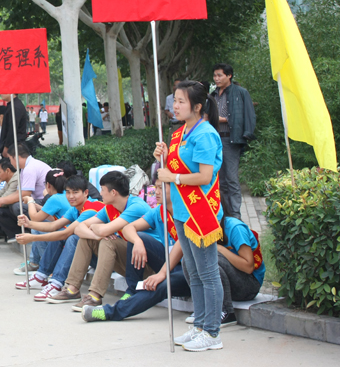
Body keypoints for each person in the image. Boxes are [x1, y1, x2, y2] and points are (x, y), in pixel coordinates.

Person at [153, 79, 224, 352]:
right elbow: (171, 168)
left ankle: (212, 332)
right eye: (175, 100)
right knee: (192, 271)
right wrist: (161, 157)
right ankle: (200, 325)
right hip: (182, 211)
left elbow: (204, 176)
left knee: (208, 272)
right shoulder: (180, 132)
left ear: (197, 106)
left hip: (201, 211)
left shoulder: (205, 134)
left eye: (181, 101)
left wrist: (173, 177)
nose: (175, 105)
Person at [82, 180, 191, 323]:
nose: (156, 192)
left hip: (189, 271)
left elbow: (181, 244)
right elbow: (128, 228)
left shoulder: (186, 212)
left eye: (161, 187)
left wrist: (161, 274)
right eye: (156, 187)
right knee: (138, 237)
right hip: (170, 263)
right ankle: (132, 290)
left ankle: (109, 312)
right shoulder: (159, 211)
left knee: (162, 285)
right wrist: (138, 242)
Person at [46, 171, 151, 308]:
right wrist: (97, 235)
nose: (100, 193)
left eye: (102, 189)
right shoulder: (110, 208)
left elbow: (104, 230)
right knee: (85, 239)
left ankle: (95, 295)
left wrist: (98, 230)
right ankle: (72, 289)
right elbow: (79, 229)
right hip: (130, 260)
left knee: (108, 241)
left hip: (147, 263)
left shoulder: (135, 206)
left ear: (113, 192)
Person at [14, 175, 103, 300]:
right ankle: (41, 276)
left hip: (104, 256)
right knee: (63, 232)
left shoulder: (91, 209)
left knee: (72, 238)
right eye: (68, 192)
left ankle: (56, 283)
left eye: (75, 192)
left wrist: (32, 238)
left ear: (86, 193)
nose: (71, 196)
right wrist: (29, 224)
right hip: (91, 252)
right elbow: (54, 225)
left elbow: (66, 234)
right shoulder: (75, 209)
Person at [208, 209, 265, 327]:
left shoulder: (235, 228)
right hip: (228, 284)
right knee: (191, 259)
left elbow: (248, 267)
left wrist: (220, 249)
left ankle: (226, 312)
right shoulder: (203, 228)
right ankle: (202, 309)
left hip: (249, 285)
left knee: (213, 258)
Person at [213, 63, 256, 220]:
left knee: (231, 178)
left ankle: (236, 215)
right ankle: (225, 213)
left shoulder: (240, 92)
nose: (216, 78)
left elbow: (248, 114)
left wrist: (222, 119)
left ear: (229, 75)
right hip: (215, 139)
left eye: (219, 75)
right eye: (215, 75)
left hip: (230, 139)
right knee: (220, 180)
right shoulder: (213, 94)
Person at [0, 142, 50, 242]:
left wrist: (1, 201)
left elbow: (24, 194)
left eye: (10, 159)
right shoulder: (24, 169)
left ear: (16, 157)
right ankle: (19, 234)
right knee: (2, 210)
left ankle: (37, 229)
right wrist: (0, 201)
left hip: (44, 201)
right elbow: (18, 192)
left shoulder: (30, 168)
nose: (11, 163)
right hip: (35, 200)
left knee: (17, 206)